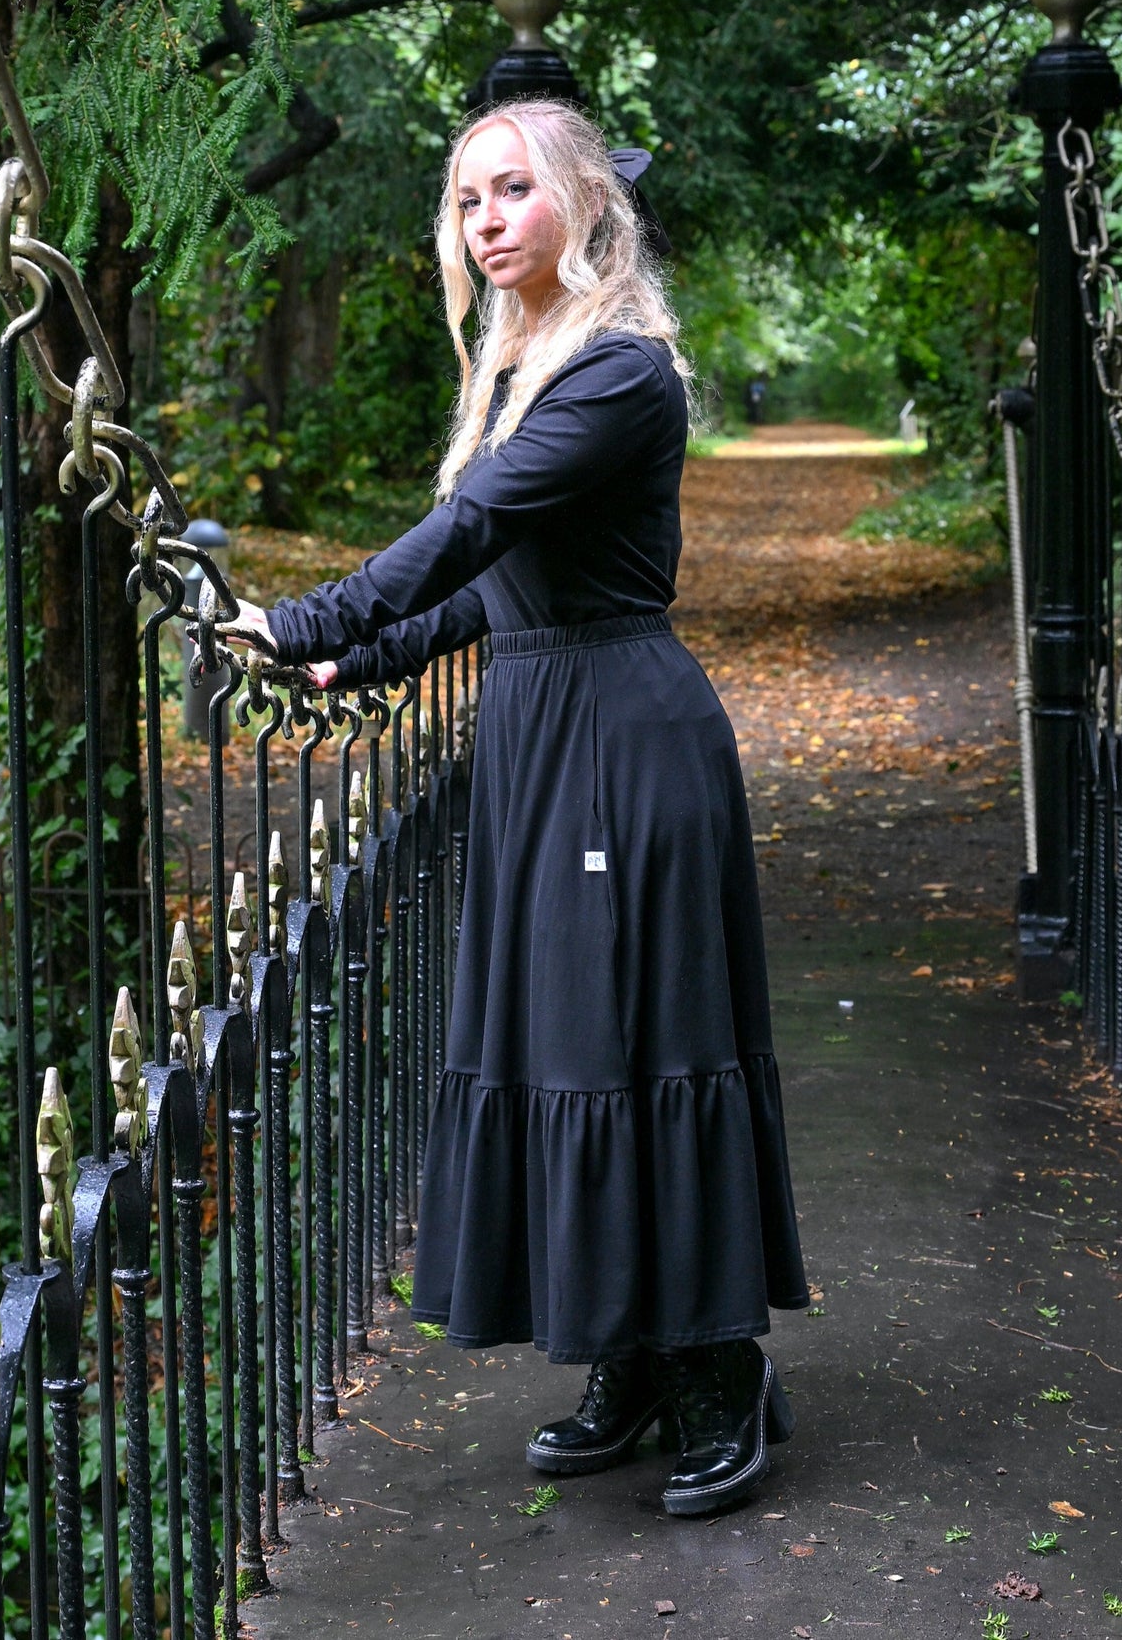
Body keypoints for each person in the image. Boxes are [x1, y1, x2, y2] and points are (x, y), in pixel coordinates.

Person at [223, 99, 809, 1516]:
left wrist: (316, 604)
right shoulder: (519, 371)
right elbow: (496, 589)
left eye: (514, 191)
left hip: (625, 739)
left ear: (587, 210)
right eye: (466, 198)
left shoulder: (616, 374)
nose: (485, 219)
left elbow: (470, 532)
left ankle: (721, 1372)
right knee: (565, 1043)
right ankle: (626, 1352)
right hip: (545, 734)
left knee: (647, 1037)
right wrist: (345, 654)